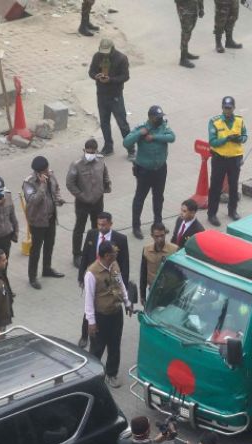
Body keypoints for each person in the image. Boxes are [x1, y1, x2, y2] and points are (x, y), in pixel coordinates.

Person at [84, 241, 132, 387]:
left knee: (115, 345)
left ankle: (111, 374)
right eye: (113, 253)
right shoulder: (91, 273)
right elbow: (88, 299)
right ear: (106, 256)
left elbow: (120, 283)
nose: (116, 254)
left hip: (116, 313)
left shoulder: (114, 264)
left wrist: (127, 302)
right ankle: (92, 376)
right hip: (101, 316)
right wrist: (91, 322)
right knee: (97, 348)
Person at [125, 106, 176, 239]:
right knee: (139, 198)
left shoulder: (163, 126)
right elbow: (126, 142)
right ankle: (136, 226)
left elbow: (172, 137)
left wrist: (154, 137)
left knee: (158, 197)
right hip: (144, 170)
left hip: (160, 169)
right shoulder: (142, 127)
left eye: (161, 117)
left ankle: (158, 224)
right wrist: (140, 134)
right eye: (157, 117)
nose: (160, 119)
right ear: (150, 117)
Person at [24, 156, 67, 290]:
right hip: (37, 221)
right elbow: (34, 201)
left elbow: (56, 189)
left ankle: (47, 269)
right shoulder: (29, 183)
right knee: (36, 249)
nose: (47, 172)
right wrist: (42, 185)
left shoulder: (51, 174)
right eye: (44, 171)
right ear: (37, 172)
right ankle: (32, 277)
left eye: (47, 169)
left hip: (50, 217)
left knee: (50, 244)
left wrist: (58, 199)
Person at [67, 139, 112, 262]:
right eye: (88, 152)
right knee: (79, 229)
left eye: (93, 152)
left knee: (97, 227)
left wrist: (106, 186)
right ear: (84, 150)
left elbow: (105, 174)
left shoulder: (101, 160)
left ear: (96, 151)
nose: (90, 154)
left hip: (98, 200)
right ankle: (77, 254)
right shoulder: (76, 164)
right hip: (82, 202)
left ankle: (94, 251)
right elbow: (70, 184)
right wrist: (81, 195)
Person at [88, 39, 132, 156]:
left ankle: (131, 149)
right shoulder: (97, 57)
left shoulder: (121, 58)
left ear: (112, 48)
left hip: (115, 96)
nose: (104, 55)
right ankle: (108, 147)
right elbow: (91, 72)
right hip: (101, 95)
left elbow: (125, 76)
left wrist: (111, 80)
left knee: (122, 124)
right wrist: (96, 76)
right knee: (104, 123)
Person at [207, 96, 247, 225]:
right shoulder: (215, 122)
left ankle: (232, 211)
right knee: (215, 187)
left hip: (235, 158)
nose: (227, 110)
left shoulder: (239, 120)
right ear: (222, 108)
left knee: (234, 185)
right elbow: (212, 142)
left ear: (234, 108)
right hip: (220, 158)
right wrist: (226, 139)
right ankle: (212, 214)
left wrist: (239, 139)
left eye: (230, 108)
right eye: (225, 108)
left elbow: (245, 136)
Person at [140, 223, 178, 305]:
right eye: (157, 236)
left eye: (162, 235)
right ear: (152, 236)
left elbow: (179, 273)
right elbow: (143, 273)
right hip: (153, 291)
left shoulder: (174, 250)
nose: (160, 239)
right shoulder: (146, 250)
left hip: (170, 292)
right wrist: (142, 295)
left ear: (165, 234)